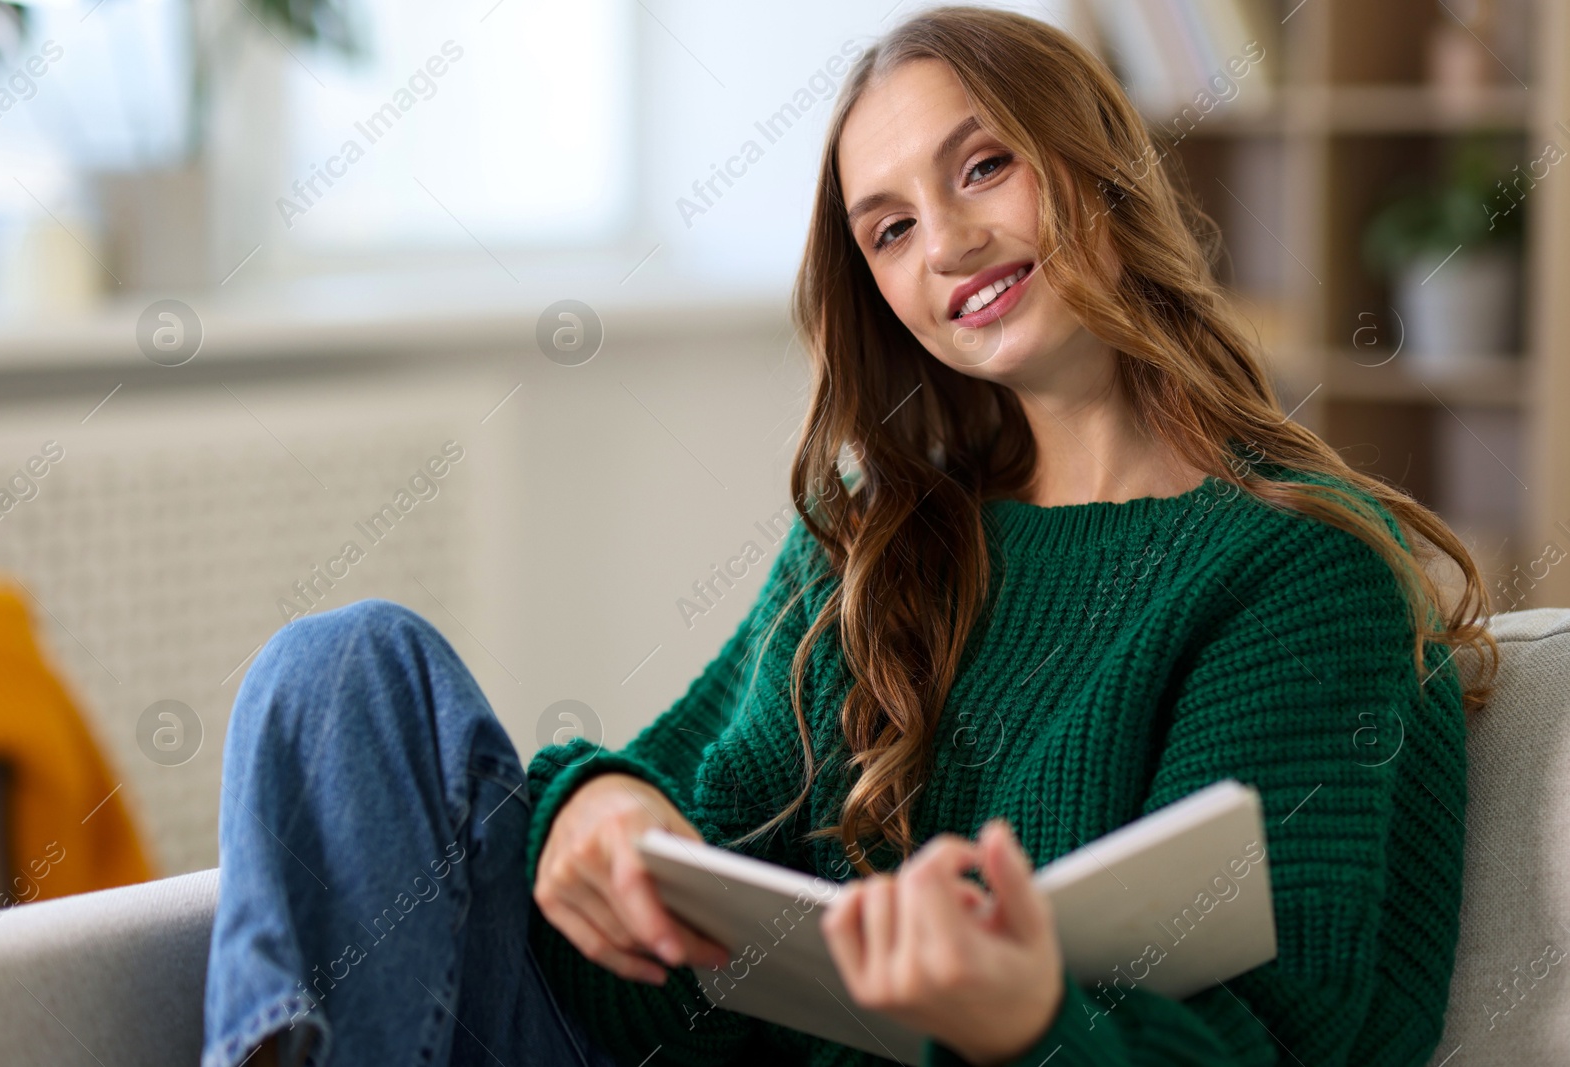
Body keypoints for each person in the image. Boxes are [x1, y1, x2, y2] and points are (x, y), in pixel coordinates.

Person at [203, 7, 1499, 1066]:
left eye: (983, 165)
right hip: (627, 1044)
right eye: (890, 227)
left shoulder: (1297, 576)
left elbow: (1284, 1039)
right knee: (347, 666)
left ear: (1101, 167)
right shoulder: (877, 532)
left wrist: (1014, 1021)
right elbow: (679, 837)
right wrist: (593, 802)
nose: (948, 242)